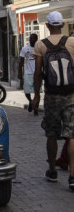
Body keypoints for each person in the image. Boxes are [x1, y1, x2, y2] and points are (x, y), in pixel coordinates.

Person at [31, 11, 74, 190]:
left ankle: (52, 171)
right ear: (63, 24)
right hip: (71, 94)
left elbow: (38, 73)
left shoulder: (41, 45)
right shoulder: (72, 42)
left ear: (47, 26)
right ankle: (72, 177)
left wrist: (36, 95)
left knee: (51, 134)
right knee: (71, 135)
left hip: (51, 96)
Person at [19, 33, 39, 115]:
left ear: (36, 40)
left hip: (37, 73)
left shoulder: (38, 48)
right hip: (27, 72)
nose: (32, 40)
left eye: (34, 38)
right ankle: (30, 101)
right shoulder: (25, 49)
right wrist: (19, 72)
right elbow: (21, 61)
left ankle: (36, 109)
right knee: (27, 91)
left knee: (37, 92)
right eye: (30, 38)